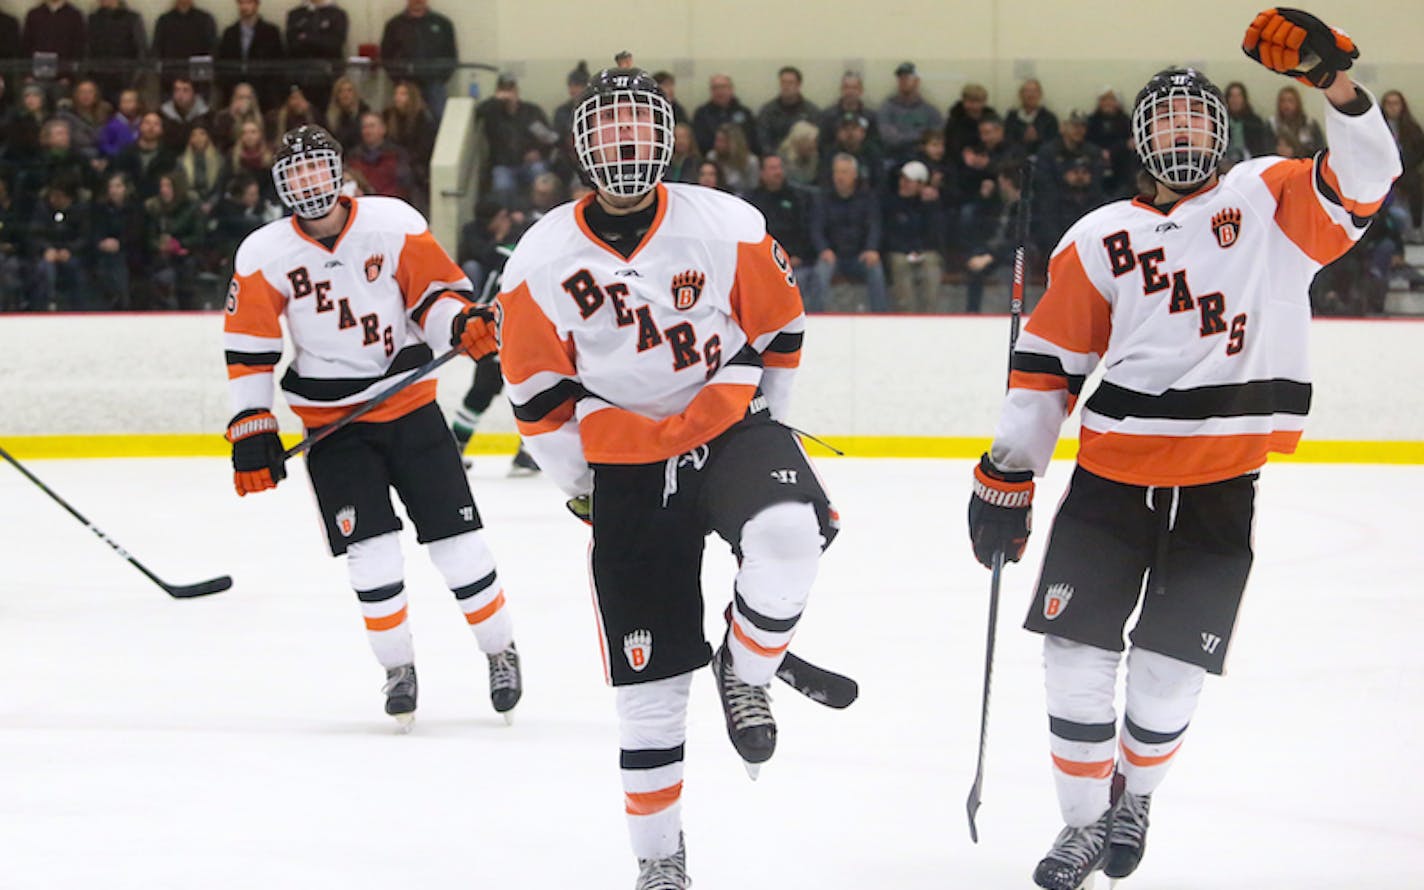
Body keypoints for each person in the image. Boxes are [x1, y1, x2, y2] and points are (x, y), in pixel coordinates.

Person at [964, 10, 1399, 890]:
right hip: (1110, 481)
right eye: (1166, 123)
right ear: (1139, 142)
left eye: (1198, 120)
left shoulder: (1269, 200)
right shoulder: (1095, 239)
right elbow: (1047, 369)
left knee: (1168, 672)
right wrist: (1008, 473)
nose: (1184, 135)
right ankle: (1084, 826)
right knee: (1074, 657)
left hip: (1221, 482)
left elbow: (1368, 181)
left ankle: (1138, 797)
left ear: (1224, 133)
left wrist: (1337, 88)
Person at [495, 67, 839, 889]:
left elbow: (782, 327)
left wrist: (773, 420)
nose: (623, 146)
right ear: (581, 146)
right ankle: (660, 865)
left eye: (636, 128)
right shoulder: (539, 259)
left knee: (791, 532)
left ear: (665, 136)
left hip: (730, 422)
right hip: (624, 458)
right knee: (650, 689)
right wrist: (580, 482)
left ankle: (745, 671)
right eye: (606, 131)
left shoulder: (727, 224)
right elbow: (536, 398)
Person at [222, 125, 522, 729]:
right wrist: (252, 425)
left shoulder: (394, 222)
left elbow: (434, 299)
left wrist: (459, 325)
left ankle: (500, 651)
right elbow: (250, 348)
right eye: (295, 175)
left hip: (408, 407)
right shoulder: (264, 253)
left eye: (316, 170)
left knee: (458, 548)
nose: (308, 185)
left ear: (340, 172)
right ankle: (398, 668)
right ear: (281, 186)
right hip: (334, 430)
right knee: (372, 555)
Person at [451, 196, 539, 476]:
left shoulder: (508, 254)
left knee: (495, 394)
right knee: (528, 394)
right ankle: (525, 452)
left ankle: (458, 447)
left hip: (509, 336)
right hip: (505, 335)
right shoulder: (515, 257)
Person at [379, 0, 458, 120]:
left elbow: (451, 56)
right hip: (405, 85)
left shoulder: (443, 23)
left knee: (439, 120)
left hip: (434, 85)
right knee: (405, 121)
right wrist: (399, 80)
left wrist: (440, 78)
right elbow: (386, 56)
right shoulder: (394, 25)